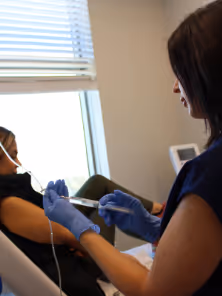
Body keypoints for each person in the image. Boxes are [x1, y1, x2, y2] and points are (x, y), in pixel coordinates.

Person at [44, 1, 222, 295]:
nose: (176, 87)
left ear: (210, 74)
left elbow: (151, 291)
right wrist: (158, 229)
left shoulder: (211, 173)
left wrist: (80, 229)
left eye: (182, 74)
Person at [0, 126, 161, 296]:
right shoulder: (9, 204)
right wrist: (121, 261)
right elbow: (67, 234)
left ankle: (157, 212)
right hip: (80, 260)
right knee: (106, 206)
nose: (18, 163)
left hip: (71, 248)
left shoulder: (15, 192)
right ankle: (158, 220)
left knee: (98, 183)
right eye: (12, 156)